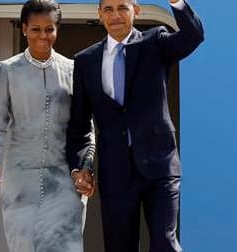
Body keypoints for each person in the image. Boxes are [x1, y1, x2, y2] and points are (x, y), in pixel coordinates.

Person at [66, 0, 204, 251]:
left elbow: (193, 36)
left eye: (122, 8)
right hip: (116, 171)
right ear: (99, 15)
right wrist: (79, 167)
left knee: (165, 243)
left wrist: (177, 3)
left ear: (136, 11)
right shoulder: (85, 61)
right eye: (108, 9)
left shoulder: (156, 42)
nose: (115, 15)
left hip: (160, 165)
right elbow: (79, 124)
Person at [0, 0, 84, 251]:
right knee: (24, 245)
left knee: (65, 246)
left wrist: (86, 165)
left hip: (65, 178)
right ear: (24, 30)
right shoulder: (6, 70)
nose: (43, 36)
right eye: (36, 29)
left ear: (57, 29)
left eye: (49, 29)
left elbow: (85, 126)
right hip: (20, 177)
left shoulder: (74, 70)